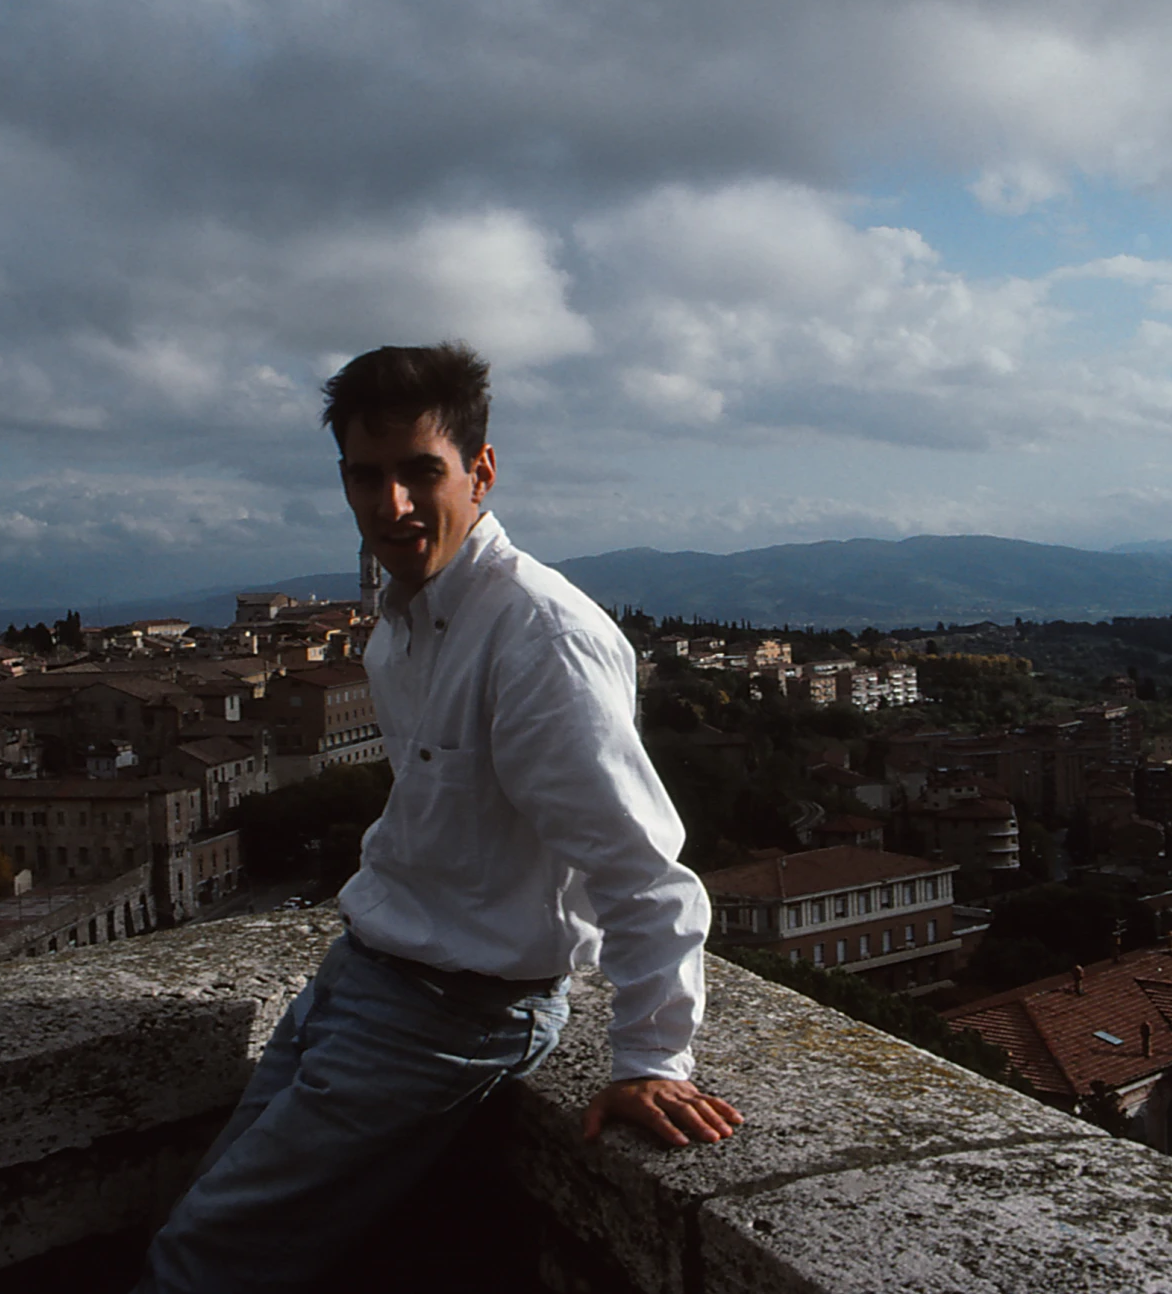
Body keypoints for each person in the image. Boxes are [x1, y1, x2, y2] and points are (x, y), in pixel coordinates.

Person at [136, 342, 742, 1293]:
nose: (393, 506)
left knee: (201, 1261)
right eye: (366, 478)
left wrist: (652, 1054)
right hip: (363, 976)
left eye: (421, 472)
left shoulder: (537, 638)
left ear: (481, 470)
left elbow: (641, 868)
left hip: (452, 1014)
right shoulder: (399, 623)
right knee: (205, 1208)